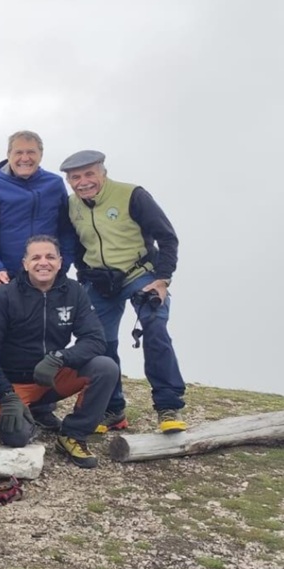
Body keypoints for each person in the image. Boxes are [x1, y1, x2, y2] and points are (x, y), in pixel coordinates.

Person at [62, 150, 187, 433]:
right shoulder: (71, 205)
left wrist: (163, 279)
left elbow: (167, 237)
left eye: (89, 174)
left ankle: (168, 405)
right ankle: (113, 409)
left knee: (155, 330)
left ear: (103, 172)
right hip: (100, 281)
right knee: (99, 343)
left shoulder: (133, 195)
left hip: (140, 274)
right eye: (75, 177)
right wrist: (83, 276)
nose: (83, 182)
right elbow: (77, 245)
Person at [0, 236, 119, 468]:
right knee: (16, 437)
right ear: (24, 264)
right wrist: (6, 394)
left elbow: (95, 339)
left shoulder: (74, 292)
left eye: (50, 257)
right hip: (13, 385)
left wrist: (60, 357)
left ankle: (73, 434)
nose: (43, 263)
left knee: (105, 367)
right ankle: (27, 417)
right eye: (36, 257)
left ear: (60, 262)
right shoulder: (2, 296)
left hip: (52, 376)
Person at [0, 130, 77, 294]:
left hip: (47, 278)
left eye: (31, 152)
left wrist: (63, 265)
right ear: (8, 154)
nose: (25, 158)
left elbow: (66, 229)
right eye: (19, 152)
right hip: (4, 278)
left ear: (40, 155)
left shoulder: (54, 184)